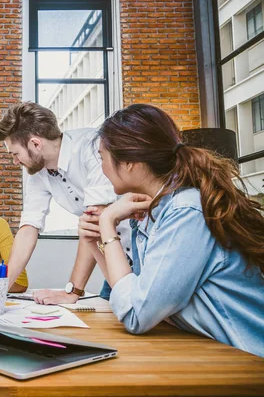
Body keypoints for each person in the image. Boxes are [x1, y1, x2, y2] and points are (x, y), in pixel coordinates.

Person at [94, 103, 264, 357]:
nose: (102, 168)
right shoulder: (159, 212)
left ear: (128, 161)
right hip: (220, 355)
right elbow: (138, 297)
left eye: (102, 158)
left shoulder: (185, 212)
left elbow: (136, 314)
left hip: (248, 362)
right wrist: (97, 238)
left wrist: (107, 224)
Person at [0, 101, 130, 305]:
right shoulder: (38, 174)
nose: (15, 161)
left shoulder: (92, 147)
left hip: (139, 250)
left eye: (15, 154)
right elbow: (28, 229)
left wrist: (73, 290)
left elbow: (93, 224)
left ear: (36, 144)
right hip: (111, 258)